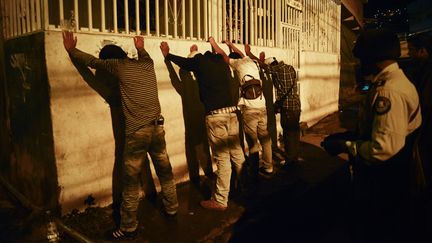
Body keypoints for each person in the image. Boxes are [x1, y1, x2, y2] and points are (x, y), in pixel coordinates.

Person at [63, 32, 178, 240]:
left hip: (137, 133)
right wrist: (140, 46)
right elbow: (143, 55)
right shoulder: (147, 64)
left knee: (131, 181)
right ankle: (172, 208)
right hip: (157, 129)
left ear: (112, 59)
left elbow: (92, 62)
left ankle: (128, 227)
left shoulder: (118, 67)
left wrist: (72, 50)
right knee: (165, 171)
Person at [321, 29, 422, 243]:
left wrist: (345, 145)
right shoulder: (390, 83)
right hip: (387, 180)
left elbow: (383, 148)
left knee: (374, 230)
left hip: (384, 183)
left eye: (362, 59)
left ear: (374, 59)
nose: (359, 65)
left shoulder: (389, 91)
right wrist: (351, 135)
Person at [160, 38, 245, 211]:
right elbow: (220, 52)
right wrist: (213, 42)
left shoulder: (199, 62)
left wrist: (167, 55)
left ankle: (220, 200)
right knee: (237, 154)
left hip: (216, 118)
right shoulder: (221, 61)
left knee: (223, 160)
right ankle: (244, 189)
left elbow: (183, 63)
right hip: (232, 114)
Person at [209, 39, 273, 180]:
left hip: (249, 109)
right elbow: (239, 53)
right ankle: (268, 166)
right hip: (262, 106)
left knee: (252, 143)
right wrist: (231, 45)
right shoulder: (250, 61)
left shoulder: (236, 64)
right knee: (265, 138)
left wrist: (212, 42)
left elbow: (222, 55)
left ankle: (254, 172)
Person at [164, 44, 214, 185]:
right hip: (205, 115)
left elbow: (175, 79)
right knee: (204, 144)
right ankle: (209, 172)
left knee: (192, 147)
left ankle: (194, 176)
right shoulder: (205, 79)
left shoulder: (184, 82)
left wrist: (167, 60)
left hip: (190, 119)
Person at [245, 46, 302, 166]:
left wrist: (249, 53)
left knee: (288, 134)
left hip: (287, 107)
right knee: (295, 133)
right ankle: (295, 157)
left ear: (272, 65)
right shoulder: (290, 68)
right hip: (296, 104)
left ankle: (290, 160)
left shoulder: (276, 70)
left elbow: (262, 65)